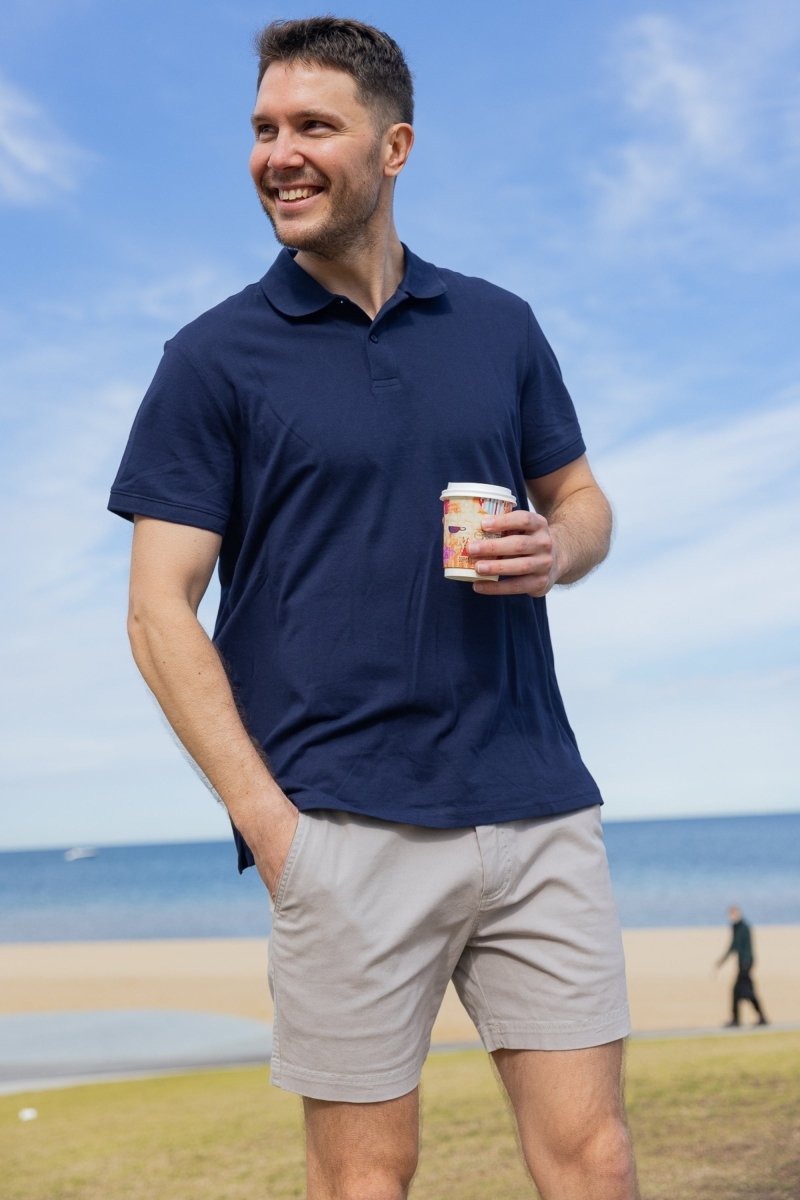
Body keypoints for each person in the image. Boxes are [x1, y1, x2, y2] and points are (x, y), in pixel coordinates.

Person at [108, 17, 639, 1200]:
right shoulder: (212, 358)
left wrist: (559, 547)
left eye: (312, 127)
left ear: (392, 147)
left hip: (536, 803)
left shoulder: (497, 324)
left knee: (592, 1155)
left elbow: (584, 499)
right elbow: (157, 611)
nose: (277, 154)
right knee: (365, 1180)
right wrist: (276, 831)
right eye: (262, 129)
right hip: (341, 827)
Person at [716, 906, 768, 1027]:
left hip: (746, 963)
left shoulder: (743, 928)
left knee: (745, 992)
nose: (731, 917)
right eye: (730, 914)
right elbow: (734, 946)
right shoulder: (737, 927)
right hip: (743, 963)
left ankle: (743, 1019)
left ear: (738, 914)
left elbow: (735, 946)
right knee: (739, 991)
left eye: (733, 914)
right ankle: (741, 1019)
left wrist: (722, 961)